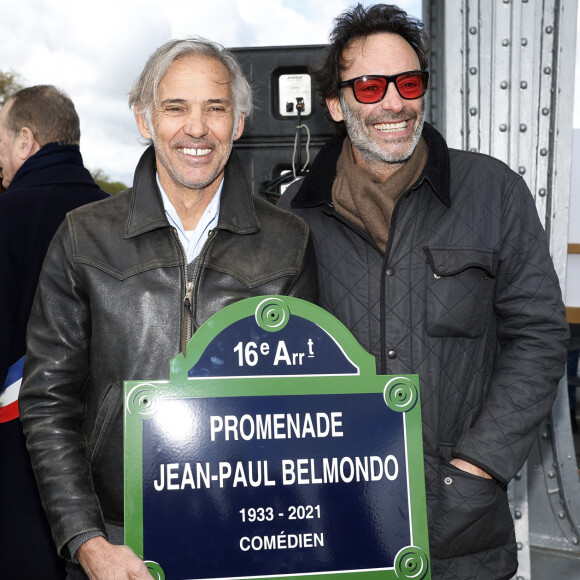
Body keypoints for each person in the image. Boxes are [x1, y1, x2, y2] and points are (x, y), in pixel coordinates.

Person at [279, 4, 568, 579]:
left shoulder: (495, 193)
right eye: (369, 86)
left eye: (408, 82)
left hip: (460, 528)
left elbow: (538, 337)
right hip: (334, 521)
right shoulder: (290, 222)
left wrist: (479, 467)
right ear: (335, 106)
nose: (394, 102)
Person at [20, 38, 317, 580]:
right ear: (144, 119)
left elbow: (305, 409)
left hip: (251, 536)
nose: (196, 129)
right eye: (176, 108)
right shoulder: (83, 237)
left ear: (241, 123)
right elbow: (46, 403)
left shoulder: (289, 243)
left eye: (215, 108)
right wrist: (86, 541)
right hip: (115, 540)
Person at [0, 85, 108, 579]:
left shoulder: (6, 217)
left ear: (25, 140)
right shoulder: (118, 221)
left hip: (15, 448)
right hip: (109, 458)